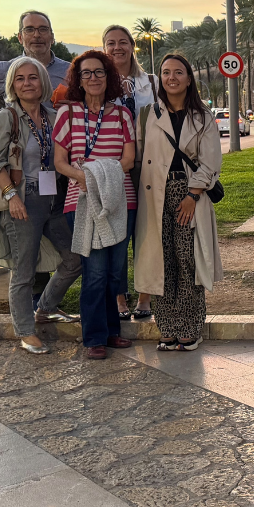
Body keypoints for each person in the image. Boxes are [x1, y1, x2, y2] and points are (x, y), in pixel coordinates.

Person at [0, 56, 79, 354]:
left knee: (75, 260)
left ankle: (45, 308)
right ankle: (25, 331)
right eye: (20, 78)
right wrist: (11, 196)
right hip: (24, 200)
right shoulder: (6, 118)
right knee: (23, 272)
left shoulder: (54, 116)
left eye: (33, 77)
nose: (27, 83)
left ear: (43, 82)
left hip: (55, 199)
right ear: (12, 85)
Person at [134, 54, 223, 352]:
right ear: (160, 78)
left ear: (188, 78)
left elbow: (210, 161)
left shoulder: (203, 116)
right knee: (161, 260)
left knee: (188, 259)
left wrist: (192, 195)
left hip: (190, 194)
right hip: (154, 196)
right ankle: (167, 327)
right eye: (166, 72)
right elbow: (138, 159)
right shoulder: (147, 115)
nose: (172, 77)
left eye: (178, 72)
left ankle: (190, 326)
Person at [53, 51, 137, 360]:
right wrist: (85, 178)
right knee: (96, 271)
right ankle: (94, 337)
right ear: (78, 79)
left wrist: (98, 177)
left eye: (99, 72)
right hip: (83, 201)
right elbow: (60, 162)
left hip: (121, 201)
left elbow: (129, 159)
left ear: (108, 76)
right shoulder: (68, 114)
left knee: (115, 271)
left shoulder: (122, 115)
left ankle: (112, 331)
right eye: (86, 73)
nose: (93, 78)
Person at [103, 24, 158, 320]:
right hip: (114, 166)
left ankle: (145, 295)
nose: (117, 48)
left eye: (123, 42)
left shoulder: (151, 82)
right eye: (111, 43)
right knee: (118, 234)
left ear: (132, 46)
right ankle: (120, 297)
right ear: (104, 48)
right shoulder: (98, 83)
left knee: (146, 232)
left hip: (147, 164)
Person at [0, 10, 71, 118]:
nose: (37, 35)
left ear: (52, 37)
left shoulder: (72, 70)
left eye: (43, 29)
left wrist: (78, 107)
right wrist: (4, 119)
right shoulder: (6, 69)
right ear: (20, 38)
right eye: (29, 29)